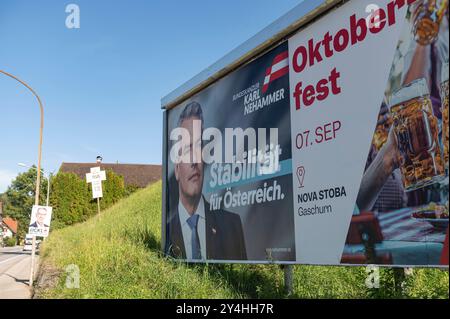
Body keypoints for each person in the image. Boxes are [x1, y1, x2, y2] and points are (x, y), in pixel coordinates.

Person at [165, 101, 247, 261]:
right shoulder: (166, 233)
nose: (195, 160)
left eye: (199, 147)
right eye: (188, 150)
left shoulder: (232, 225)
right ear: (176, 169)